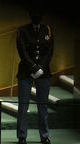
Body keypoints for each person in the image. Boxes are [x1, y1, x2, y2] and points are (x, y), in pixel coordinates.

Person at [16, 10, 54, 144]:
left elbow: (49, 51)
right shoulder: (23, 30)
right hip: (26, 71)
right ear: (31, 16)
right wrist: (33, 67)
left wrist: (41, 67)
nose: (37, 16)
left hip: (43, 72)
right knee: (23, 105)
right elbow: (22, 50)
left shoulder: (47, 30)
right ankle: (22, 135)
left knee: (42, 106)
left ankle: (44, 136)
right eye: (34, 14)